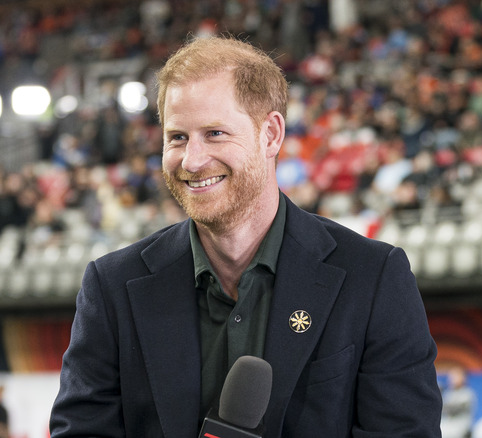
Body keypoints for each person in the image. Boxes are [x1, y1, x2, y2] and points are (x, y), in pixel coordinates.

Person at [49, 36, 442, 437]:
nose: (192, 160)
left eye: (215, 133)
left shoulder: (373, 278)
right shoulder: (112, 286)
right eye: (177, 137)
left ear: (270, 134)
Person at [440, 367, 477, 438]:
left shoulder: (467, 393)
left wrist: (440, 403)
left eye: (456, 376)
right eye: (451, 377)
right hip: (448, 426)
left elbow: (453, 409)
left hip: (461, 428)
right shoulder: (448, 393)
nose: (452, 379)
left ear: (463, 378)